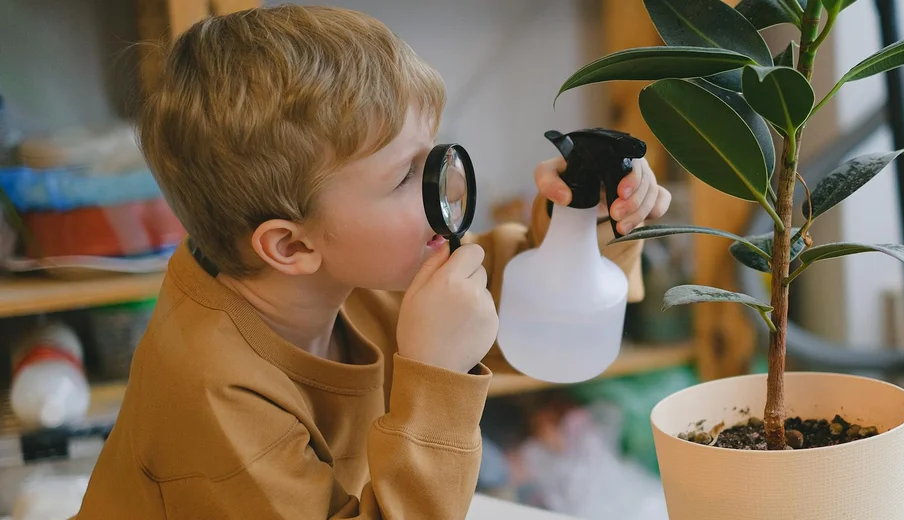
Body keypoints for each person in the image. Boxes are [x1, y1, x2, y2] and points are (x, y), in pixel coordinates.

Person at [74, 5, 670, 519]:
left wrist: (586, 217)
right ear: (292, 245)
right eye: (405, 177)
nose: (450, 186)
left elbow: (521, 311)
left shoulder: (342, 267)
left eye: (435, 154)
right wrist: (434, 379)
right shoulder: (212, 391)